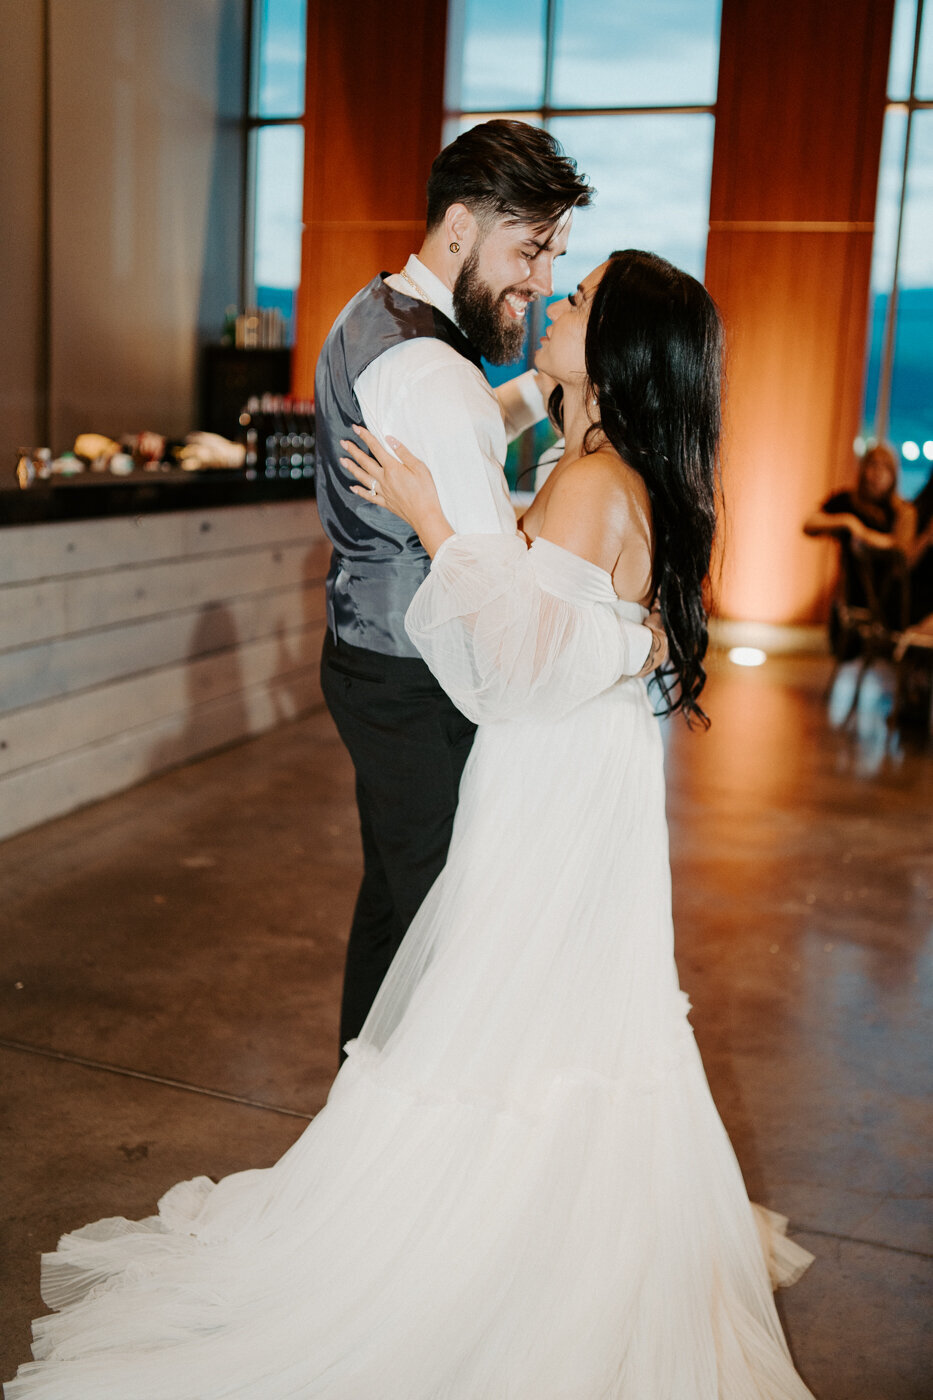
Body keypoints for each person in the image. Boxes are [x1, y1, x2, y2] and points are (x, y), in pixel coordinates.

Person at [5, 249, 815, 1399]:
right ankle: (569, 1230)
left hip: (548, 772)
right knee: (560, 1006)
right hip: (587, 774)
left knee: (501, 1007)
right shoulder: (601, 464)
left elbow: (516, 668)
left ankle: (494, 1252)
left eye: (576, 298)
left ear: (618, 347)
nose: (553, 300)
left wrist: (437, 519)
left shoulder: (590, 483)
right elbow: (582, 628)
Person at [314, 119, 659, 1053]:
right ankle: (412, 1147)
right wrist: (640, 639)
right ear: (462, 228)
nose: (542, 281)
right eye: (531, 249)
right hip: (426, 685)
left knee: (391, 905)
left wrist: (519, 407)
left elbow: (468, 420)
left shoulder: (374, 313)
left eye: (556, 259)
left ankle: (360, 1111)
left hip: (361, 658)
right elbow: (496, 607)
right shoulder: (437, 378)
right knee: (449, 937)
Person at [803, 442, 914, 634]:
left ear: (893, 474)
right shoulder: (849, 502)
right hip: (854, 593)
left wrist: (863, 535)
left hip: (890, 595)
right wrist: (847, 521)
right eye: (873, 465)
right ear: (863, 469)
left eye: (885, 467)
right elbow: (809, 525)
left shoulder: (901, 512)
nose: (878, 473)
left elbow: (902, 549)